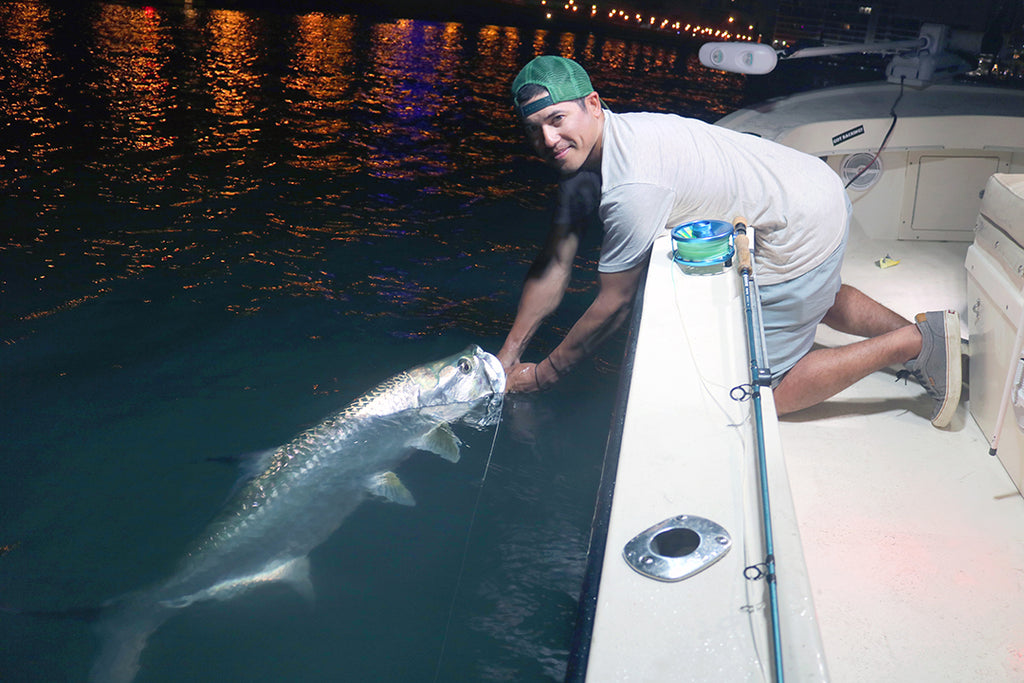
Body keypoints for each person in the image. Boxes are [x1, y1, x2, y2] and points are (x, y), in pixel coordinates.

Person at [496, 55, 962, 428]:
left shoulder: (631, 188)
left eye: (557, 119)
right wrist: (509, 356)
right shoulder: (618, 134)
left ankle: (916, 341)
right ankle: (932, 346)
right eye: (534, 128)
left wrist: (542, 376)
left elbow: (612, 306)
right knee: (821, 295)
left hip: (799, 225)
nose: (549, 138)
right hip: (814, 188)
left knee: (765, 392)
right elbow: (555, 262)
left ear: (593, 104)